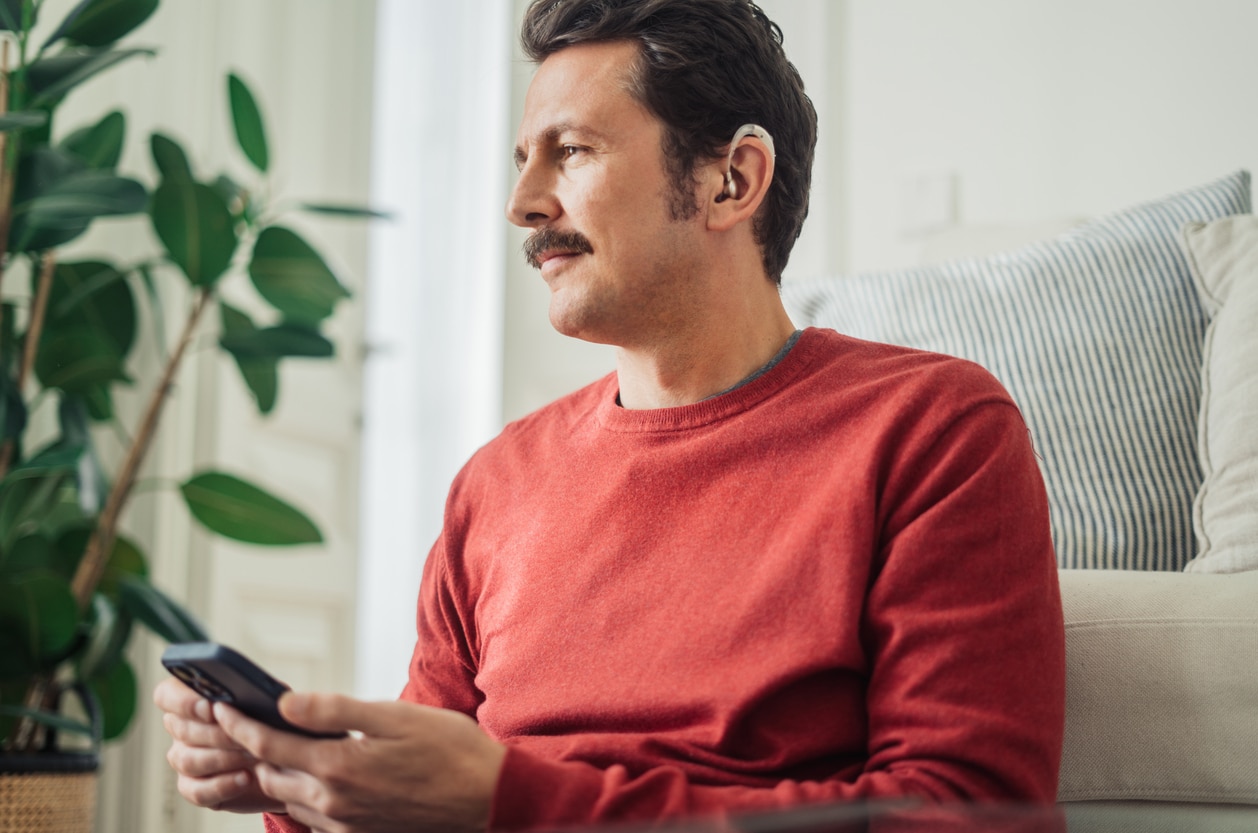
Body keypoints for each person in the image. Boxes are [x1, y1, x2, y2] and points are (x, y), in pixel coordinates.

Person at [154, 1, 1066, 831]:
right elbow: (420, 803)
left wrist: (511, 802)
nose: (523, 205)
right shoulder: (495, 484)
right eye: (524, 162)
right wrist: (301, 785)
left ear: (731, 180)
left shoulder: (935, 430)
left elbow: (964, 817)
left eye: (573, 151)